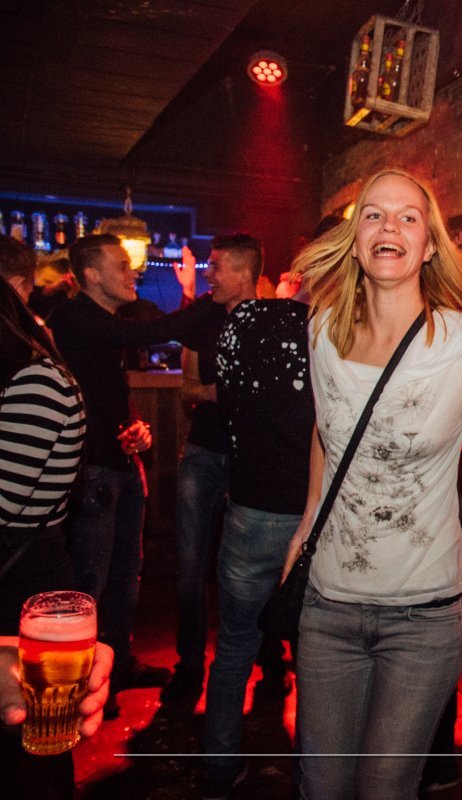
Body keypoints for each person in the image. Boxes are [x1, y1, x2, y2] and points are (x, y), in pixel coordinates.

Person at [285, 168, 462, 800]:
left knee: (384, 789)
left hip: (421, 618)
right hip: (327, 606)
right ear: (355, 241)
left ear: (428, 246)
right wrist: (306, 522)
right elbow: (326, 431)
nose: (388, 226)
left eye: (407, 216)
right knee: (320, 786)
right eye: (373, 214)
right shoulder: (322, 330)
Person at [46, 234, 222, 718]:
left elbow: (105, 390)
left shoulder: (102, 321)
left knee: (126, 573)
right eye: (121, 265)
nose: (133, 272)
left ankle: (118, 665)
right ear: (91, 275)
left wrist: (135, 425)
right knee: (90, 580)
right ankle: (79, 686)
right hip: (93, 471)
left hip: (120, 463)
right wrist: (214, 295)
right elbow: (156, 330)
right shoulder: (72, 318)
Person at [0, 276, 113, 800]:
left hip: (20, 573)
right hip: (21, 562)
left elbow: (6, 501)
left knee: (29, 751)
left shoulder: (35, 382)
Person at [201, 290, 314, 800]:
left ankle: (218, 768)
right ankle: (314, 775)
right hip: (310, 520)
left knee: (234, 645)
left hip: (250, 512)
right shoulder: (331, 330)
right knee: (314, 657)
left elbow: (226, 403)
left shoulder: (245, 320)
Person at [165, 234, 262, 704]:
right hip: (203, 451)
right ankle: (189, 664)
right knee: (190, 565)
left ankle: (267, 660)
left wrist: (226, 391)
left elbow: (278, 397)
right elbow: (187, 387)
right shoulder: (203, 320)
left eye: (216, 267)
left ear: (242, 275)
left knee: (250, 568)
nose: (209, 275)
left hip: (252, 458)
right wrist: (220, 391)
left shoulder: (269, 323)